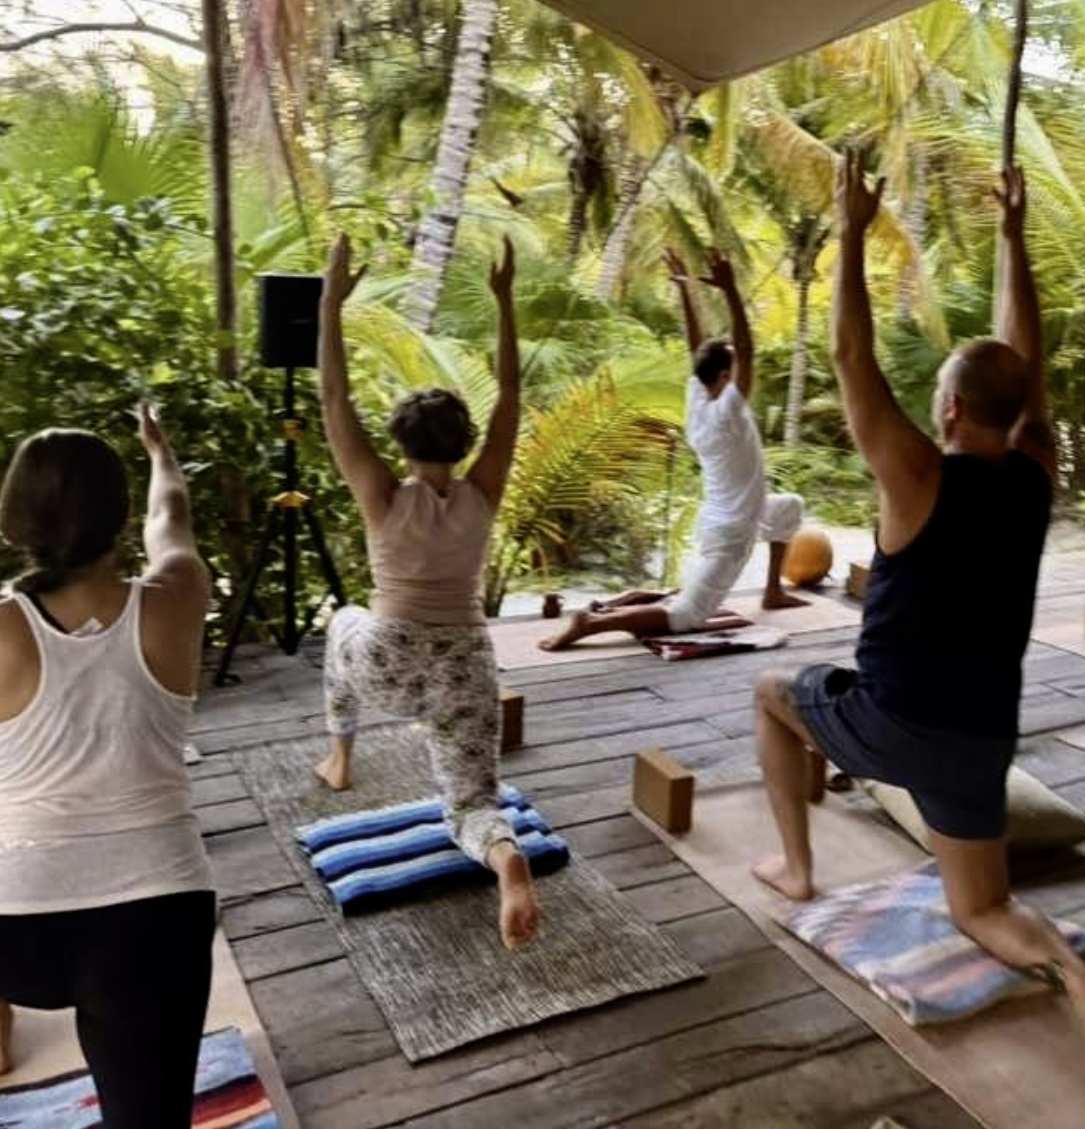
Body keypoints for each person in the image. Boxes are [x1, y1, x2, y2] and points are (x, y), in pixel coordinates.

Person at [750, 151, 1085, 1109]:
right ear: (1014, 419)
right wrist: (1016, 237)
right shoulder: (1036, 474)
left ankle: (796, 867)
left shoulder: (918, 477)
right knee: (986, 909)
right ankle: (1082, 984)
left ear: (952, 409)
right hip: (983, 742)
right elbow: (1027, 366)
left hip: (895, 725)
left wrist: (849, 235)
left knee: (770, 696)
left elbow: (853, 361)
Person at [0, 406, 216, 1125]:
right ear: (117, 518)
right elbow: (170, 514)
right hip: (156, 931)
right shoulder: (179, 597)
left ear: (13, 528)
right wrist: (160, 452)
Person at [311, 234, 540, 950]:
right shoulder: (483, 491)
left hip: (387, 661)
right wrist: (504, 300)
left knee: (342, 620)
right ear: (466, 442)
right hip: (466, 666)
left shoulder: (381, 494)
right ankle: (504, 858)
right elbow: (512, 394)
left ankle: (341, 756)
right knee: (471, 800)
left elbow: (333, 394)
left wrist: (330, 301)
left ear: (399, 443)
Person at [537, 248, 805, 651]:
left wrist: (686, 292)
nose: (744, 367)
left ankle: (772, 591)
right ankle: (588, 625)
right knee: (687, 615)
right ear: (726, 375)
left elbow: (696, 347)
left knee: (790, 508)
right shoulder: (727, 412)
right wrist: (731, 291)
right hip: (733, 531)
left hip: (734, 513)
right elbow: (748, 351)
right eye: (734, 363)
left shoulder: (699, 397)